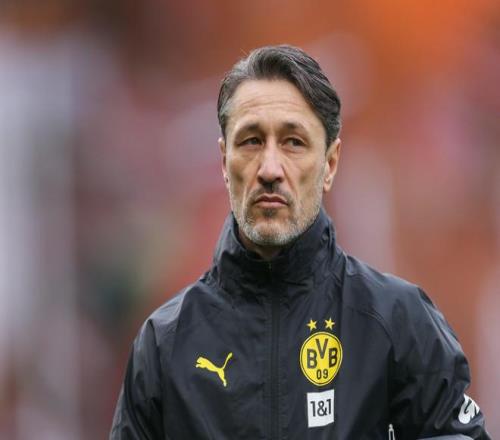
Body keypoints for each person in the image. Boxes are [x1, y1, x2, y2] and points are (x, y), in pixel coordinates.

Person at [110, 45, 490, 439]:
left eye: (293, 142)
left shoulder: (398, 320)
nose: (270, 169)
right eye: (251, 141)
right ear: (224, 162)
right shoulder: (164, 342)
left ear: (330, 164)